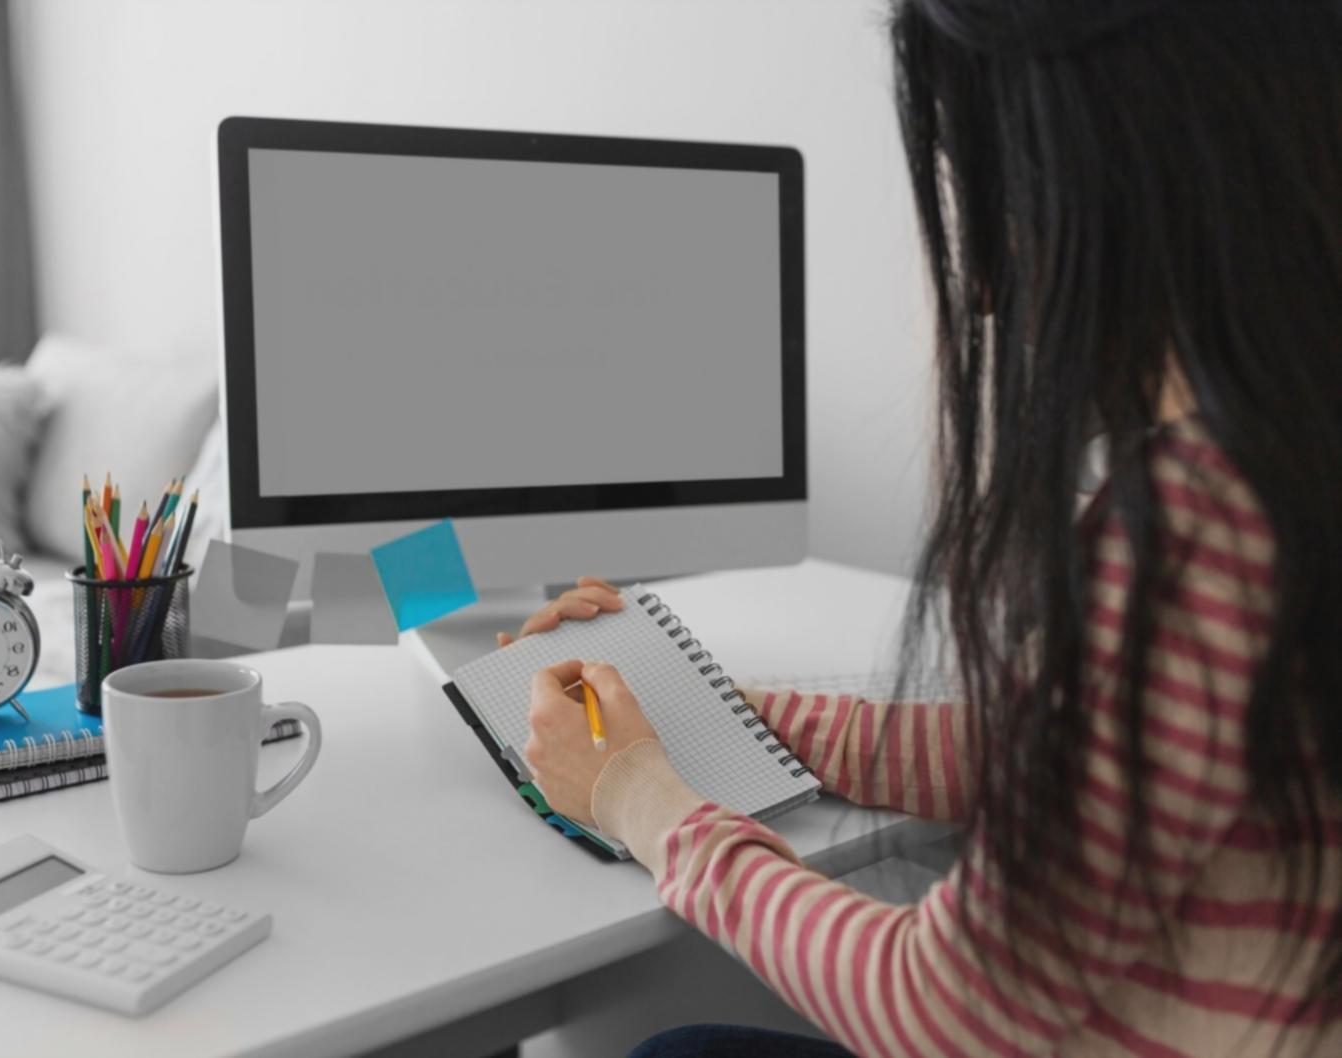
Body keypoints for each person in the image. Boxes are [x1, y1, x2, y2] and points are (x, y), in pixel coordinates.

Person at [511, 1, 1342, 1054]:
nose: (977, 278)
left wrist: (636, 793)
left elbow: (941, 1008)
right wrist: (702, 709)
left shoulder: (1202, 533)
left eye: (970, 182)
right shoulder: (1286, 472)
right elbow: (1052, 761)